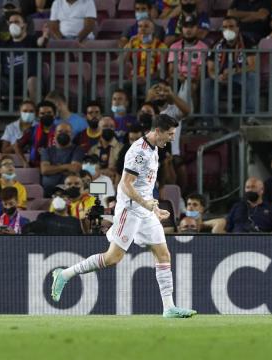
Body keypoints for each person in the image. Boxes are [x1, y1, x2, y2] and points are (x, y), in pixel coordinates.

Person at [51, 114, 197, 318]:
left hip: (145, 210)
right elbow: (125, 184)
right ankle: (64, 274)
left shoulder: (154, 149)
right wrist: (146, 204)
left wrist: (153, 209)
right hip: (130, 210)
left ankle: (169, 308)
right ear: (158, 131)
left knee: (163, 254)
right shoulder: (139, 152)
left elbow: (143, 187)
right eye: (170, 134)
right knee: (112, 258)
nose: (173, 138)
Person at [0, 12, 48, 123]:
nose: (13, 24)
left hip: (27, 81)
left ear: (24, 25)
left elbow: (40, 42)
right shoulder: (5, 44)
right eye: (11, 22)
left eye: (17, 22)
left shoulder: (32, 39)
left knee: (33, 80)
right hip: (8, 81)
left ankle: (35, 120)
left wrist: (45, 36)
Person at [204, 16, 258, 127]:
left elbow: (253, 66)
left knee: (252, 77)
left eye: (231, 26)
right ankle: (209, 121)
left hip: (239, 77)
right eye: (224, 27)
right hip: (221, 78)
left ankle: (250, 116)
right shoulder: (216, 44)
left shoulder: (247, 41)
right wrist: (216, 77)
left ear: (238, 28)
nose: (228, 29)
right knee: (207, 83)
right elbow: (210, 69)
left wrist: (235, 70)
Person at [167, 16, 208, 107]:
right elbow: (171, 71)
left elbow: (201, 72)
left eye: (192, 27)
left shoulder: (203, 47)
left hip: (194, 79)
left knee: (191, 86)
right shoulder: (174, 46)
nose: (188, 30)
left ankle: (192, 116)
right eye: (185, 27)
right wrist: (178, 76)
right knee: (168, 84)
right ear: (182, 29)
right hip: (178, 78)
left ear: (197, 28)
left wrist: (192, 81)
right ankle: (171, 114)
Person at [122, 17, 168, 93]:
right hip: (134, 80)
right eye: (140, 26)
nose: (142, 29)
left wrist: (146, 79)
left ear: (153, 30)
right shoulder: (132, 43)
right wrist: (129, 45)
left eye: (146, 26)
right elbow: (122, 62)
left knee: (150, 89)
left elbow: (162, 70)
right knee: (114, 87)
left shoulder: (161, 46)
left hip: (152, 80)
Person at [39, 122, 85, 197]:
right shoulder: (46, 151)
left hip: (70, 192)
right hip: (48, 192)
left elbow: (75, 168)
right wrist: (66, 167)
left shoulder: (77, 150)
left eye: (67, 132)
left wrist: (54, 168)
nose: (63, 134)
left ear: (72, 134)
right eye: (60, 131)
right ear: (54, 134)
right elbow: (44, 170)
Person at [17, 100, 57, 167]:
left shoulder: (60, 130)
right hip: (35, 168)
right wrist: (24, 161)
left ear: (55, 114)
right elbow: (17, 146)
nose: (46, 116)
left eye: (49, 113)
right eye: (42, 113)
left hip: (54, 168)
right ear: (38, 115)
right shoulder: (32, 131)